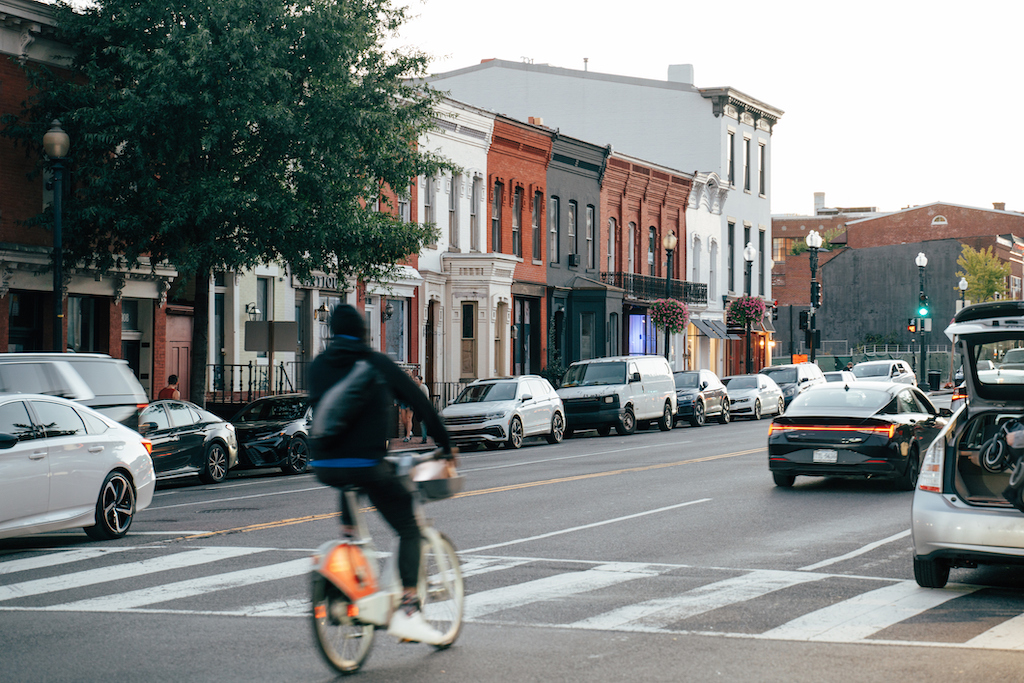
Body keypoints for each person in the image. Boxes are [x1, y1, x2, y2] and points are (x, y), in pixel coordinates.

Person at [309, 303, 452, 645]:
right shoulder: (375, 363)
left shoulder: (318, 366)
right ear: (363, 332)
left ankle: (348, 549)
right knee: (408, 526)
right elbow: (421, 405)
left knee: (350, 496)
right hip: (367, 463)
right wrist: (445, 445)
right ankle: (408, 609)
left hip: (325, 466)